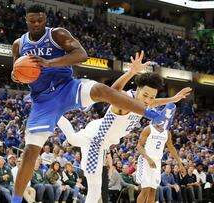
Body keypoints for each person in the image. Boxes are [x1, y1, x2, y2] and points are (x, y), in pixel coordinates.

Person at [11, 4, 169, 202]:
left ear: (45, 19)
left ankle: (152, 114)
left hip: (67, 87)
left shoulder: (57, 34)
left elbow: (81, 55)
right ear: (26, 20)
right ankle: (16, 200)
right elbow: (15, 70)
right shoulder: (19, 44)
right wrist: (17, 76)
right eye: (32, 20)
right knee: (30, 150)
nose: (36, 24)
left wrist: (49, 62)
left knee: (101, 90)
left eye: (40, 20)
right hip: (43, 100)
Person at [56, 54, 191, 202]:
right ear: (137, 89)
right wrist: (131, 72)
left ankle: (54, 114)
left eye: (151, 97)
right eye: (145, 95)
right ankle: (52, 112)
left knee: (73, 139)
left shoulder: (143, 103)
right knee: (95, 188)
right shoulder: (124, 101)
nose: (148, 100)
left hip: (100, 138)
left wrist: (173, 99)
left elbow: (154, 103)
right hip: (95, 140)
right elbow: (111, 91)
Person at [136, 103, 185, 203]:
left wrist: (180, 164)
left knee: (153, 190)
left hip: (157, 162)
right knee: (145, 190)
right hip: (146, 161)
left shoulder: (167, 132)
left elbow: (171, 148)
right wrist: (148, 159)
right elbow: (139, 146)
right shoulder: (148, 129)